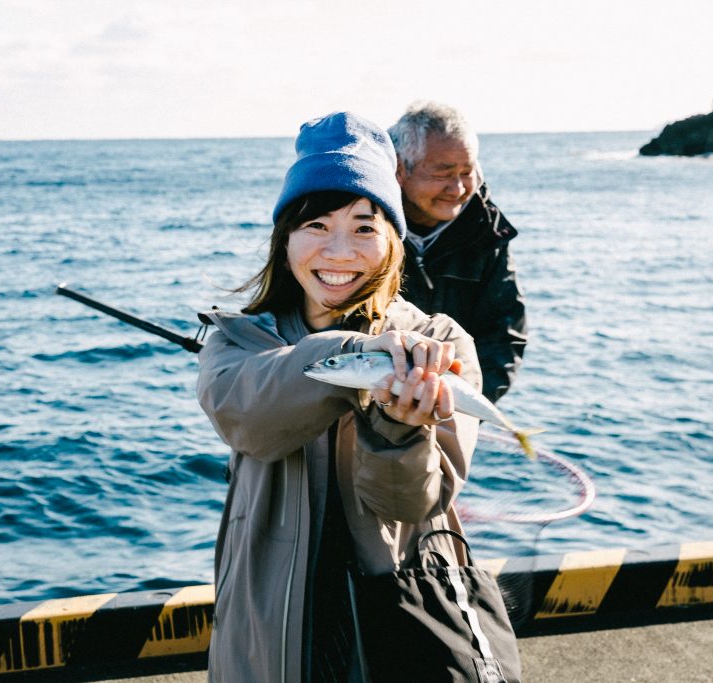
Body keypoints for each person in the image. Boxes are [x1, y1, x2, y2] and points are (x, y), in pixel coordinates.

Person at [196, 112, 488, 682]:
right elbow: (249, 421)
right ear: (285, 239)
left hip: (398, 616)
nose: (339, 252)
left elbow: (411, 504)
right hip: (266, 627)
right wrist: (356, 351)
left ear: (392, 243)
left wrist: (398, 429)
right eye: (316, 225)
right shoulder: (238, 340)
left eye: (363, 228)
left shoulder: (441, 344)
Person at [389, 102, 528, 402]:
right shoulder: (365, 231)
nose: (458, 188)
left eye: (467, 172)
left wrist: (459, 409)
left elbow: (503, 338)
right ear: (399, 169)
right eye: (443, 174)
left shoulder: (487, 233)